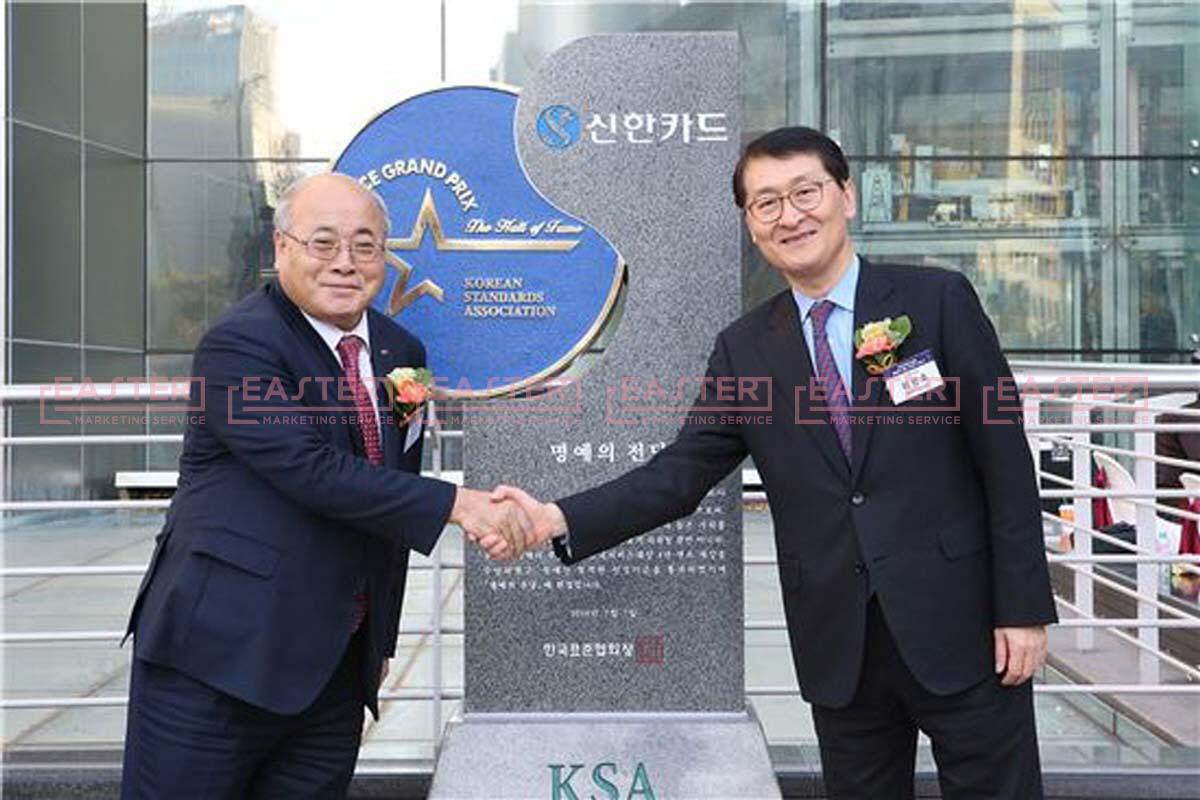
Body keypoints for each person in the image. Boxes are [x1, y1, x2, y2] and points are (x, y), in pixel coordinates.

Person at [496, 127, 1058, 799]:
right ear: (751, 225)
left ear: (846, 196)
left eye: (805, 192)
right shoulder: (745, 350)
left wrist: (1024, 609)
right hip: (841, 647)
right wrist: (554, 517)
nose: (790, 215)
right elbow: (678, 476)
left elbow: (1004, 460)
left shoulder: (937, 302)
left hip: (965, 629)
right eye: (766, 203)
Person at [121, 173, 524, 798]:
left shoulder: (404, 354)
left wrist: (378, 641)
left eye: (365, 245)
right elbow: (310, 469)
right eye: (323, 243)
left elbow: (396, 480)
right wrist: (459, 504)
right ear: (282, 247)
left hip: (334, 673)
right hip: (216, 662)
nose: (345, 262)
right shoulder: (239, 345)